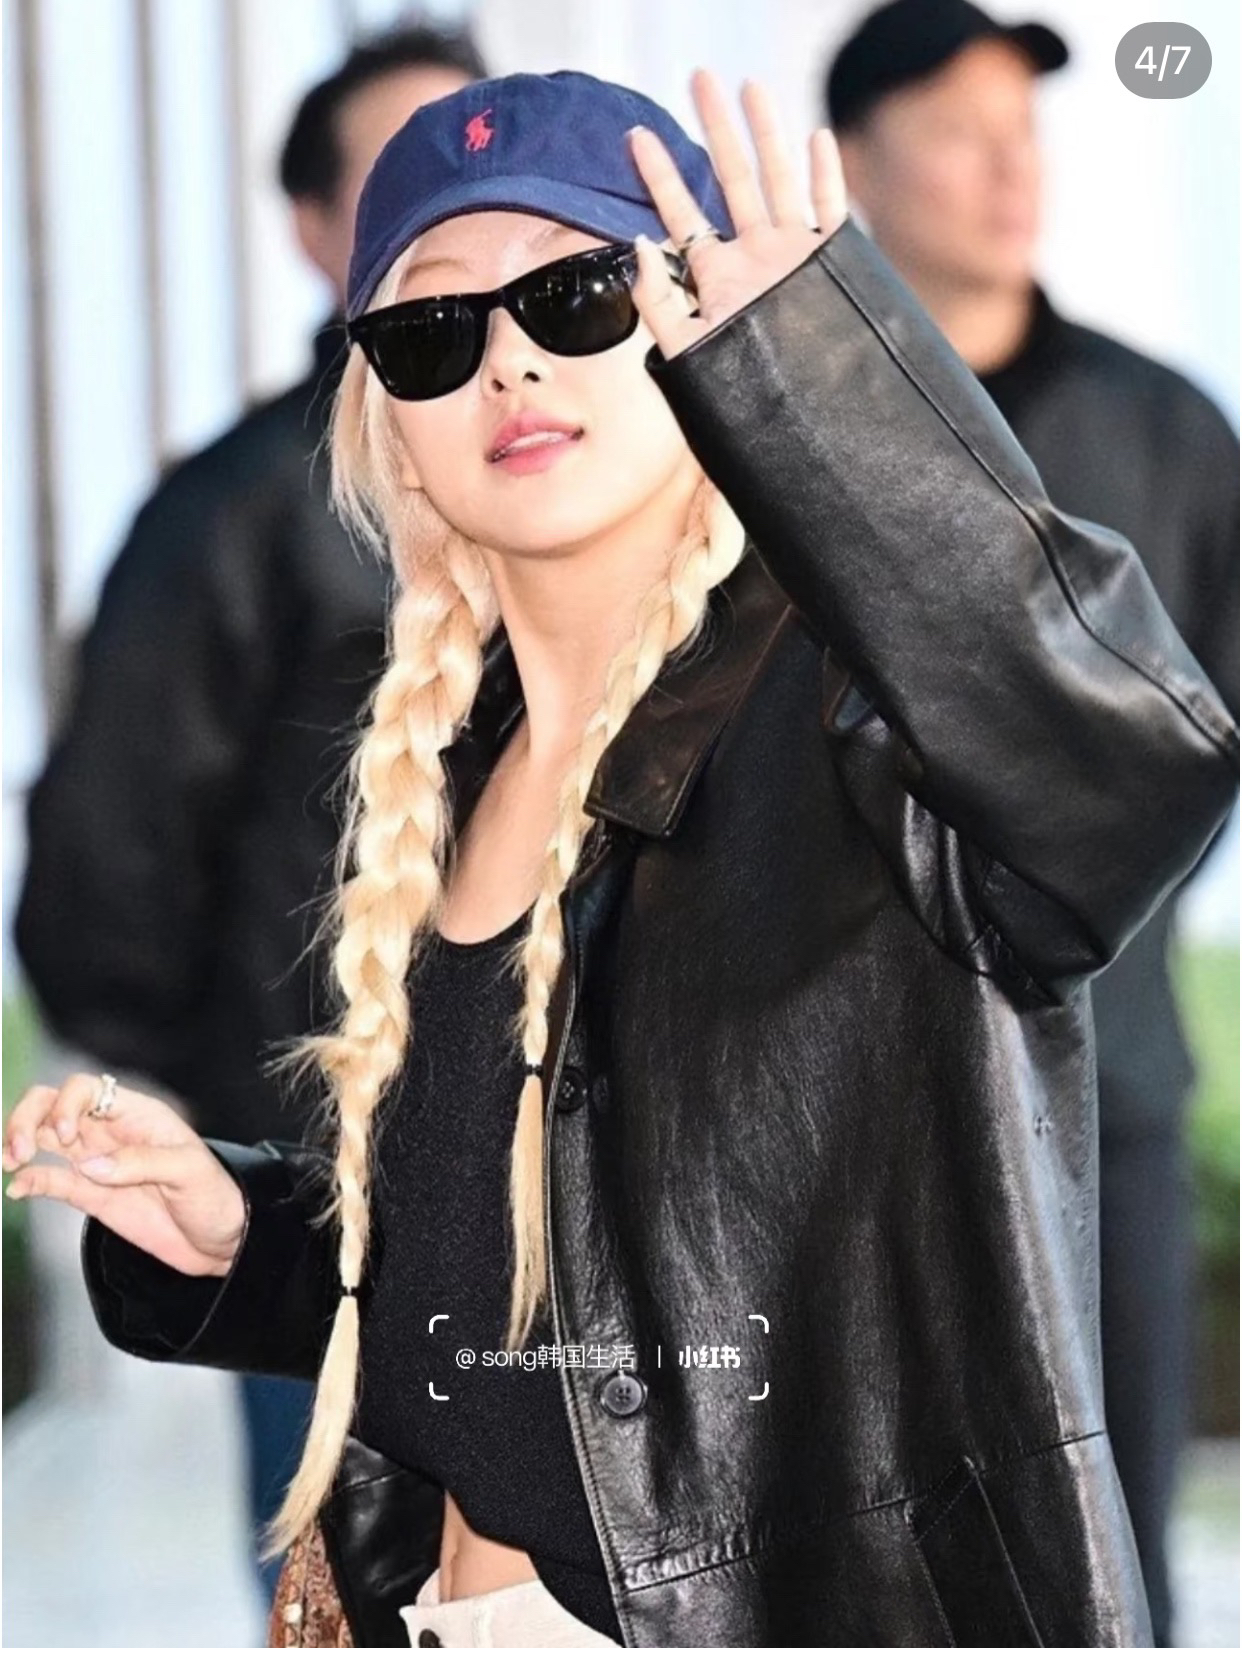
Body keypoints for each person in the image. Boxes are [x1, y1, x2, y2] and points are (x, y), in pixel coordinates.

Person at [6, 67, 1237, 1649]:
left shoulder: (864, 729)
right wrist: (254, 1240)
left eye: (578, 295)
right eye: (433, 332)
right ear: (392, 425)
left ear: (698, 338)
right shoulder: (436, 780)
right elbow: (556, 1304)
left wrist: (822, 365)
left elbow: (1128, 769)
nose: (509, 360)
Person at [13, 23, 487, 1607]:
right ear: (312, 227)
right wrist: (252, 1106)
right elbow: (105, 856)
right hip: (320, 1193)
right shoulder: (232, 512)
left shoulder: (585, 485)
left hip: (571, 1184)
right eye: (400, 175)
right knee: (354, 1601)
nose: (452, 210)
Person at [823, 3, 1241, 1640]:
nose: (1010, 168)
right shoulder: (771, 420)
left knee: (1111, 1561)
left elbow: (1213, 740)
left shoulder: (1163, 430)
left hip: (1099, 1078)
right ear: (851, 163)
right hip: (833, 1111)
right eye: (955, 129)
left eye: (1023, 128)